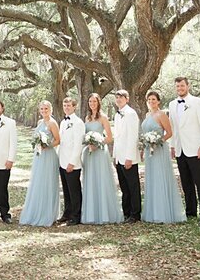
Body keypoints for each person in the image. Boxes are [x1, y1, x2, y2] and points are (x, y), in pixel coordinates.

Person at [169, 77, 200, 223]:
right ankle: (191, 211)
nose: (180, 88)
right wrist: (173, 146)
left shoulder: (198, 102)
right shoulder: (172, 104)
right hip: (181, 149)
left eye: (182, 86)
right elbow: (173, 127)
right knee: (186, 183)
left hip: (195, 148)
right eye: (177, 86)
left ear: (188, 86)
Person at [142, 91, 186, 223]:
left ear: (158, 101)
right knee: (152, 178)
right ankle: (152, 211)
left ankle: (163, 212)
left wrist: (157, 141)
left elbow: (169, 132)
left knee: (160, 177)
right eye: (149, 99)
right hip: (149, 151)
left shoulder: (161, 115)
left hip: (159, 150)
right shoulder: (147, 115)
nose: (151, 101)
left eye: (154, 99)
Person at [81, 93, 123, 224]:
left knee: (101, 179)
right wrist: (88, 143)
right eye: (90, 101)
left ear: (98, 103)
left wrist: (98, 143)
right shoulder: (87, 118)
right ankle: (91, 213)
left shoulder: (103, 117)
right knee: (90, 180)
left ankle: (104, 213)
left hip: (100, 153)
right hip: (89, 153)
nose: (92, 104)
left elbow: (110, 138)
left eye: (94, 101)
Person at [19, 101, 61, 227]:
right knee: (38, 181)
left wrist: (46, 145)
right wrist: (38, 144)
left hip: (49, 156)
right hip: (39, 156)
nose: (44, 111)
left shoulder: (53, 123)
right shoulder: (39, 123)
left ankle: (48, 214)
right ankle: (37, 210)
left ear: (51, 109)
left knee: (48, 182)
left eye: (46, 108)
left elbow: (58, 140)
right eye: (42, 109)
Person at [113, 90, 141, 223]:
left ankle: (135, 214)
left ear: (127, 99)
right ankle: (126, 212)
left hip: (128, 157)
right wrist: (115, 156)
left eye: (121, 97)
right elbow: (117, 137)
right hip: (119, 156)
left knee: (132, 186)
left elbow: (132, 137)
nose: (118, 99)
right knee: (124, 187)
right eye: (117, 97)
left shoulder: (131, 114)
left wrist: (129, 157)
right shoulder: (117, 115)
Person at [57, 96, 85, 225]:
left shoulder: (78, 122)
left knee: (74, 191)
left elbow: (78, 144)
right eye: (65, 105)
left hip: (72, 163)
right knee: (66, 190)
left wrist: (72, 162)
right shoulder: (63, 122)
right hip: (62, 160)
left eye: (69, 105)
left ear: (74, 107)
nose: (66, 108)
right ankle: (67, 213)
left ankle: (76, 216)